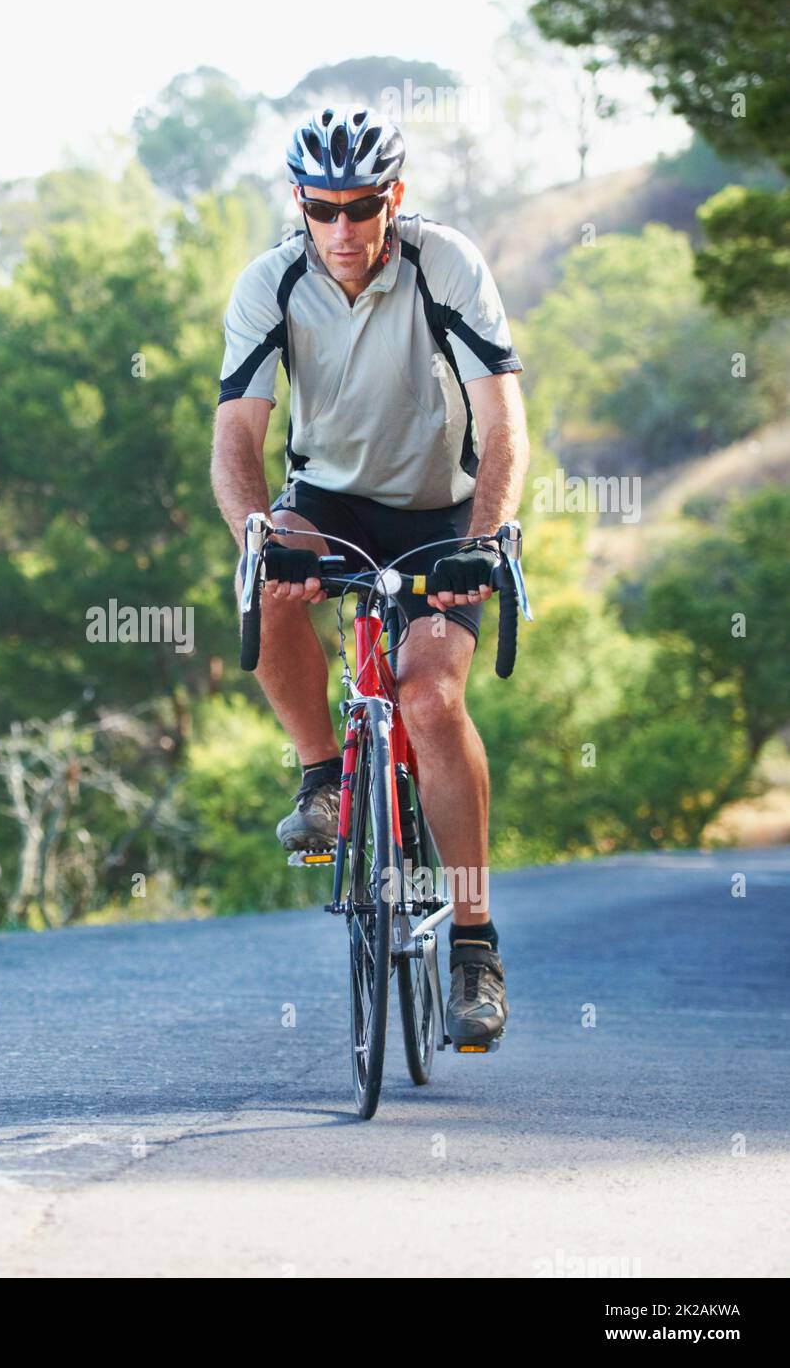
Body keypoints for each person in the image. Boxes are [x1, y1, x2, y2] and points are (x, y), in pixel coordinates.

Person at [210, 105, 529, 1048]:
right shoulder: (269, 283)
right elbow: (237, 436)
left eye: (360, 207)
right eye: (321, 209)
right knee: (265, 577)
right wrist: (259, 531)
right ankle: (324, 778)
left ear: (396, 196)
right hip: (333, 501)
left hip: (446, 510)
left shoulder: (448, 265)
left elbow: (504, 425)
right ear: (300, 205)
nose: (342, 231)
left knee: (429, 699)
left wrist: (485, 536)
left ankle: (473, 940)